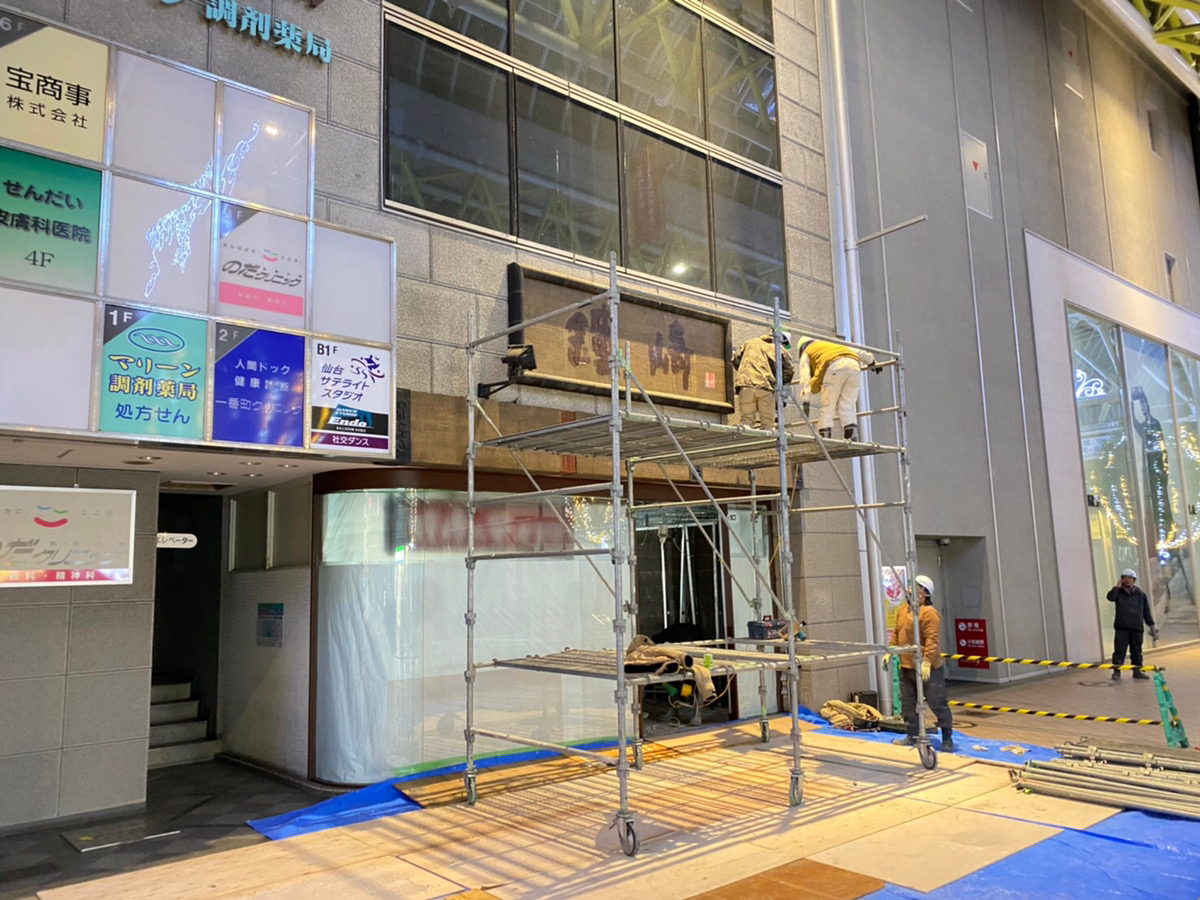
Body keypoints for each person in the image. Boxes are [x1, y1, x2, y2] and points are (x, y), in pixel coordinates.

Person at [889, 575, 955, 752]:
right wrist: (890, 651)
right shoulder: (904, 610)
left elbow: (932, 640)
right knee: (908, 704)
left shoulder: (929, 613)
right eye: (910, 585)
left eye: (915, 586)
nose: (910, 589)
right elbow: (897, 633)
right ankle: (912, 734)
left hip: (929, 668)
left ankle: (947, 737)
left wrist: (927, 661)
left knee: (937, 702)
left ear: (925, 592)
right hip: (907, 666)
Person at [795, 337, 876, 441]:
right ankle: (851, 435)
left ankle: (825, 436)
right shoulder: (829, 344)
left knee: (828, 404)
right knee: (848, 404)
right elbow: (856, 351)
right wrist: (871, 361)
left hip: (834, 366)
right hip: (854, 366)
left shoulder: (806, 352)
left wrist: (806, 399)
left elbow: (805, 376)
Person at [731, 331, 794, 428]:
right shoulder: (778, 348)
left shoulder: (750, 342)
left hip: (745, 386)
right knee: (768, 424)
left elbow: (735, 359)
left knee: (746, 422)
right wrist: (782, 384)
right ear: (783, 341)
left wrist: (747, 372)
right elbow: (789, 370)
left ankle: (747, 428)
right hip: (765, 387)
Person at [1107, 568, 1157, 681]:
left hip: (1136, 627)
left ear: (1134, 580)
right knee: (1119, 651)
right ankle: (1117, 672)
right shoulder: (1118, 593)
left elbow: (1146, 612)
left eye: (1130, 578)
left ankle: (1137, 671)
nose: (1127, 580)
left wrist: (1152, 625)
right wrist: (1117, 587)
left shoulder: (1140, 594)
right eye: (1124, 578)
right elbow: (1110, 598)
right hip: (1122, 627)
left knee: (1136, 651)